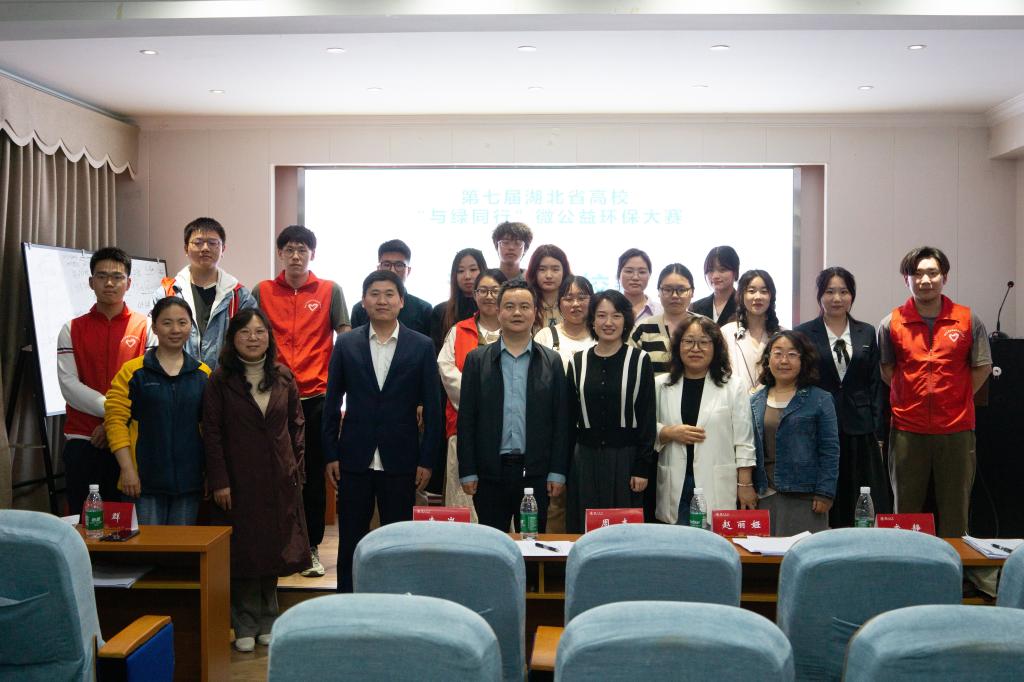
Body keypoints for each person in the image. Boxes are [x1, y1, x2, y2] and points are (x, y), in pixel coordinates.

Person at [323, 270, 441, 592]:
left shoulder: (422, 346)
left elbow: (433, 408)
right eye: (374, 294)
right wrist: (331, 453)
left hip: (402, 459)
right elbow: (331, 403)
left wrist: (427, 459)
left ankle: (396, 600)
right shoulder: (346, 344)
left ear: (402, 301)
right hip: (354, 457)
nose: (382, 300)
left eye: (390, 294)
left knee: (398, 539)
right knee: (351, 538)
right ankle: (348, 600)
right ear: (364, 301)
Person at [203, 308, 308, 653]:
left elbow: (297, 426)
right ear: (233, 338)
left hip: (279, 477)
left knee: (273, 547)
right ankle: (244, 622)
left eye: (260, 331)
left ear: (269, 337)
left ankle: (269, 619)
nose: (253, 338)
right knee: (244, 550)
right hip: (238, 478)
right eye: (245, 332)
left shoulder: (283, 376)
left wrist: (296, 470)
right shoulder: (220, 380)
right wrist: (219, 480)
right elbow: (212, 434)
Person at [253, 224, 349, 578]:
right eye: (290, 249)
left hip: (317, 396)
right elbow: (250, 335)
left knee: (311, 475)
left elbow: (344, 336)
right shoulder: (262, 290)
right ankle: (275, 546)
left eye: (302, 250)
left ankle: (310, 548)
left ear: (312, 254)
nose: (296, 256)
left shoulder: (329, 290)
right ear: (280, 253)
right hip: (272, 395)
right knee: (273, 472)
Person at [878, 246, 991, 538]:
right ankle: (906, 564)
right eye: (917, 274)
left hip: (956, 429)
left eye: (932, 273)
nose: (925, 280)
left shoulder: (968, 320)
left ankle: (956, 566)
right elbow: (888, 370)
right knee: (905, 513)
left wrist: (954, 398)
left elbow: (982, 366)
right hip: (907, 429)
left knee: (955, 512)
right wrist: (913, 396)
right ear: (906, 279)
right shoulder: (891, 323)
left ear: (945, 277)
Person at [457, 280, 568, 533]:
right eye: (509, 306)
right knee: (492, 542)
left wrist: (557, 472)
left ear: (535, 312)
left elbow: (561, 422)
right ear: (498, 312)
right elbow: (467, 421)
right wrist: (468, 471)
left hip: (536, 473)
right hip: (489, 472)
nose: (517, 312)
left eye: (524, 306)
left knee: (532, 542)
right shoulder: (477, 360)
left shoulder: (551, 361)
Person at [57, 247, 154, 516]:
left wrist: (113, 425)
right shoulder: (71, 328)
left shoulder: (146, 327)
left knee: (126, 523)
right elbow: (69, 385)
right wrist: (112, 417)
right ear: (91, 282)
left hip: (130, 439)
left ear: (129, 283)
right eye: (102, 276)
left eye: (117, 277)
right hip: (84, 437)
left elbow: (147, 387)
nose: (109, 283)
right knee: (85, 520)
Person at [795, 267, 891, 527]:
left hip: (860, 427)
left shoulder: (866, 332)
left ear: (852, 296)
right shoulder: (803, 333)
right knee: (826, 494)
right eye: (829, 292)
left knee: (860, 494)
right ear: (819, 296)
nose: (837, 298)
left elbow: (875, 384)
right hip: (818, 426)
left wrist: (878, 433)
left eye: (843, 292)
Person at [104, 297, 211, 525]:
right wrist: (127, 470)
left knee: (180, 547)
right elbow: (115, 421)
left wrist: (208, 474)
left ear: (190, 326)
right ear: (154, 327)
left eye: (182, 322)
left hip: (189, 484)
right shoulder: (133, 371)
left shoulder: (203, 374)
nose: (175, 330)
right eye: (167, 323)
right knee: (146, 547)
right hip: (142, 483)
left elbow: (210, 429)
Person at [565, 290, 656, 532]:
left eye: (616, 316)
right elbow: (568, 419)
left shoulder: (640, 360)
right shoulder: (577, 362)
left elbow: (647, 417)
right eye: (601, 315)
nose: (608, 322)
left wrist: (642, 467)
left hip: (626, 461)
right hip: (584, 460)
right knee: (584, 528)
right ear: (592, 320)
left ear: (625, 320)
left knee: (623, 530)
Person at [655, 316, 757, 524]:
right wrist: (667, 432)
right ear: (678, 346)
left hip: (715, 480)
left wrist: (745, 484)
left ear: (715, 348)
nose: (696, 348)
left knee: (713, 539)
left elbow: (744, 440)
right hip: (675, 481)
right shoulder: (661, 385)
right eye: (688, 341)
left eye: (704, 342)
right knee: (675, 539)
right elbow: (646, 429)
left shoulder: (733, 386)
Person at [750, 331, 840, 536]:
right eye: (778, 353)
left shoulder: (820, 399)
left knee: (804, 552)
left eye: (792, 354)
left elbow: (830, 450)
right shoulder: (755, 401)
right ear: (768, 359)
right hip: (764, 495)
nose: (784, 361)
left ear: (803, 360)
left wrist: (825, 492)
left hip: (806, 497)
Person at [437, 269, 507, 521]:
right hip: (463, 428)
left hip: (508, 433)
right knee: (464, 502)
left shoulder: (517, 329)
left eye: (495, 290)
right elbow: (447, 371)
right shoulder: (459, 330)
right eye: (483, 291)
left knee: (501, 506)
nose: (488, 296)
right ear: (475, 295)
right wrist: (481, 403)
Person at [533, 275, 596, 533]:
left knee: (589, 499)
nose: (575, 304)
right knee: (555, 501)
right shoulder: (545, 336)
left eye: (582, 297)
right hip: (553, 431)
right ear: (559, 303)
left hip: (591, 432)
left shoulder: (601, 335)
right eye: (568, 298)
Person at [155, 216, 256, 371]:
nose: (205, 248)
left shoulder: (239, 296)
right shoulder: (167, 293)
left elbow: (251, 343)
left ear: (223, 249)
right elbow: (154, 342)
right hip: (175, 378)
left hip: (226, 381)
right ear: (186, 249)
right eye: (198, 242)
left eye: (213, 243)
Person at [350, 239, 433, 336]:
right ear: (378, 268)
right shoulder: (361, 309)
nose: (392, 270)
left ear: (408, 270)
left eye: (399, 265)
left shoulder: (423, 310)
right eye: (386, 265)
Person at [629, 263, 698, 375]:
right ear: (659, 292)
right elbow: (630, 368)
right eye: (667, 289)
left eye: (681, 290)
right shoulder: (642, 328)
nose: (674, 295)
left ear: (692, 292)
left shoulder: (706, 326)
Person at [721, 269, 783, 393]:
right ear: (741, 295)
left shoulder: (782, 335)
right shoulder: (726, 332)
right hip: (734, 400)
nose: (758, 297)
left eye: (764, 291)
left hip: (773, 401)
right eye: (751, 291)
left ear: (771, 296)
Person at [430, 248, 487, 352]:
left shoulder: (493, 309)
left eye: (473, 269)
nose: (467, 276)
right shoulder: (441, 311)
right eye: (460, 271)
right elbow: (435, 352)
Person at [690, 246, 740, 325]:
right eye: (710, 270)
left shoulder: (744, 305)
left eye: (722, 270)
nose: (715, 276)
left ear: (735, 271)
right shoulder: (695, 307)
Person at [525, 244, 572, 329]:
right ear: (534, 272)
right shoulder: (525, 302)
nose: (549, 276)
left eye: (555, 269)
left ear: (564, 271)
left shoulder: (574, 303)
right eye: (542, 269)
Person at [617, 248, 659, 323]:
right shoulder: (609, 309)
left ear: (649, 275)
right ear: (619, 274)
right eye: (629, 271)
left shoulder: (660, 311)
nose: (635, 277)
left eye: (642, 272)